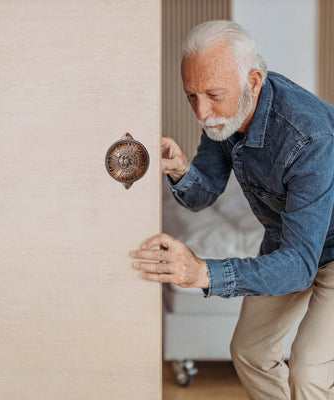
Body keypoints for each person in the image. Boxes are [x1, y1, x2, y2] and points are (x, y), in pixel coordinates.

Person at [129, 20, 334, 399]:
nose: (203, 112)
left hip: (326, 250)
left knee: (308, 372)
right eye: (192, 96)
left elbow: (300, 265)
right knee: (249, 350)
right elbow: (203, 195)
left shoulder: (309, 137)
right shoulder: (226, 112)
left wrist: (203, 272)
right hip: (287, 240)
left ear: (254, 81)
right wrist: (183, 171)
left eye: (213, 95)